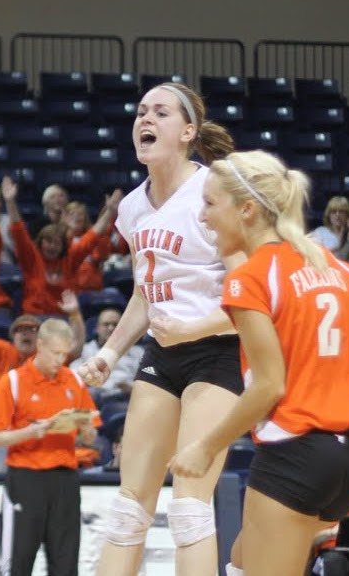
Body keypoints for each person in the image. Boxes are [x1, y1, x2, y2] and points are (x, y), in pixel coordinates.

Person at [166, 150, 349, 576]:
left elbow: (268, 386)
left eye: (209, 204)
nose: (203, 218)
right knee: (241, 562)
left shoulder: (250, 277)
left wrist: (204, 446)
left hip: (294, 455)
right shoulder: (336, 268)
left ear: (246, 210)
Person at [77, 82, 244, 576]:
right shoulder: (131, 208)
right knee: (130, 505)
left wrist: (193, 329)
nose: (145, 119)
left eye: (161, 112)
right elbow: (142, 296)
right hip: (164, 351)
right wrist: (108, 353)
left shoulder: (217, 191)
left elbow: (247, 296)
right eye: (141, 111)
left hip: (218, 350)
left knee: (190, 505)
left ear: (187, 131)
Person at [0, 318, 101, 576]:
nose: (60, 360)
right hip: (26, 477)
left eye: (64, 354)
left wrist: (87, 430)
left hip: (65, 478)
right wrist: (30, 432)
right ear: (40, 345)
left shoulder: (74, 381)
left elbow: (90, 438)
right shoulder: (13, 381)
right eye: (55, 353)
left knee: (66, 560)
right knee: (20, 558)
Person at [2, 176, 121, 316]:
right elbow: (19, 231)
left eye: (57, 242)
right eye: (48, 241)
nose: (52, 247)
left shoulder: (70, 259)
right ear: (40, 243)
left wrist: (109, 212)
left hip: (63, 321)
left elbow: (92, 236)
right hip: (34, 319)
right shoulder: (31, 259)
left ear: (63, 245)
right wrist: (10, 202)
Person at [0, 293, 86, 382]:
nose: (25, 333)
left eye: (32, 329)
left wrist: (74, 313)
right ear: (13, 337)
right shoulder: (4, 351)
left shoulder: (49, 355)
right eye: (20, 329)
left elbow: (76, 346)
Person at [71, 307, 144, 398]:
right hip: (97, 398)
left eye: (115, 324)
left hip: (128, 397)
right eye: (106, 324)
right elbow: (74, 375)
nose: (110, 328)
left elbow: (147, 381)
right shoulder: (86, 350)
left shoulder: (137, 352)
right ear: (97, 328)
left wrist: (132, 389)